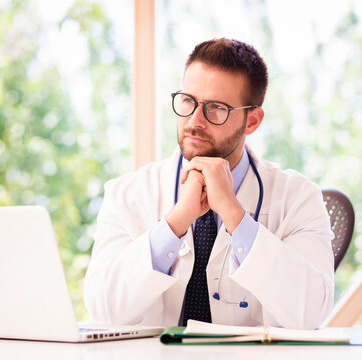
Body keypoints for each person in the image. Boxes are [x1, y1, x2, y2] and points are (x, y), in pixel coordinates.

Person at [84, 38, 334, 330]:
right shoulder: (126, 194)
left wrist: (235, 217)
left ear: (252, 121)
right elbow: (103, 310)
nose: (194, 120)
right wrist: (175, 223)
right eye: (188, 101)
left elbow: (311, 313)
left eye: (216, 108)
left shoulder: (298, 198)